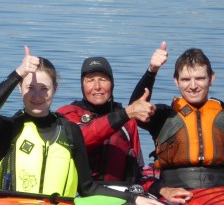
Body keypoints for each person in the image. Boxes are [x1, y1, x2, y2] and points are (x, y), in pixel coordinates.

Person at [0, 47, 165, 205]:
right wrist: (18, 72)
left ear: (55, 89)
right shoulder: (9, 128)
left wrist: (133, 198)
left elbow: (88, 188)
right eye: (30, 87)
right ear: (20, 88)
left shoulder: (69, 130)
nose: (37, 95)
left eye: (44, 88)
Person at [138, 47, 224, 197]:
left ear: (211, 78)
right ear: (176, 81)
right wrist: (152, 70)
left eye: (200, 78)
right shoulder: (163, 117)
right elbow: (136, 109)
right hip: (174, 197)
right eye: (186, 79)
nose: (193, 86)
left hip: (223, 198)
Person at [55, 44, 164, 184]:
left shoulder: (128, 121)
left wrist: (160, 189)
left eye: (103, 79)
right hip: (78, 195)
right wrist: (127, 113)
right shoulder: (68, 113)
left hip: (118, 196)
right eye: (90, 80)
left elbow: (137, 170)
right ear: (82, 86)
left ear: (112, 85)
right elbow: (82, 139)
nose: (97, 86)